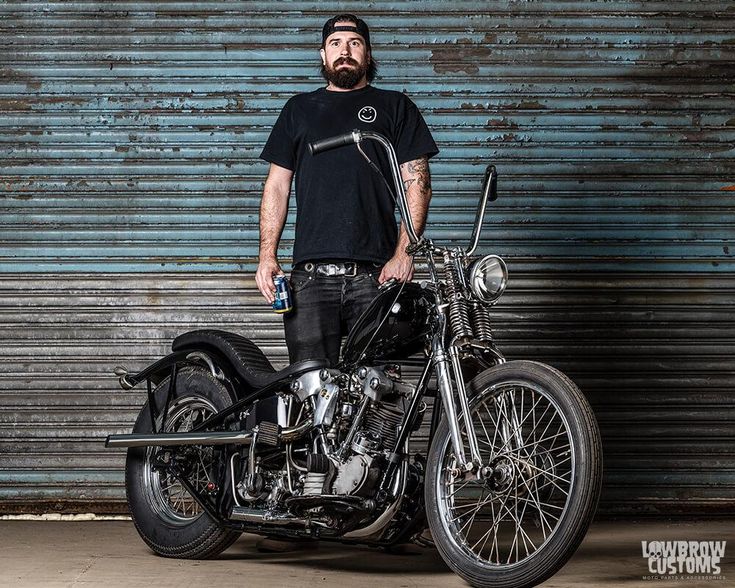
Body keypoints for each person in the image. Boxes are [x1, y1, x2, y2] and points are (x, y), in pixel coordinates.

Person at [256, 13, 439, 367]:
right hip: (309, 278)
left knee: (377, 390)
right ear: (323, 55)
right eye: (335, 44)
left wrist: (405, 253)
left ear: (367, 55)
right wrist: (267, 255)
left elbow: (418, 183)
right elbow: (277, 186)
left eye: (354, 44)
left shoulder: (396, 107)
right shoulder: (299, 109)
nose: (345, 51)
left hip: (376, 275)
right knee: (310, 391)